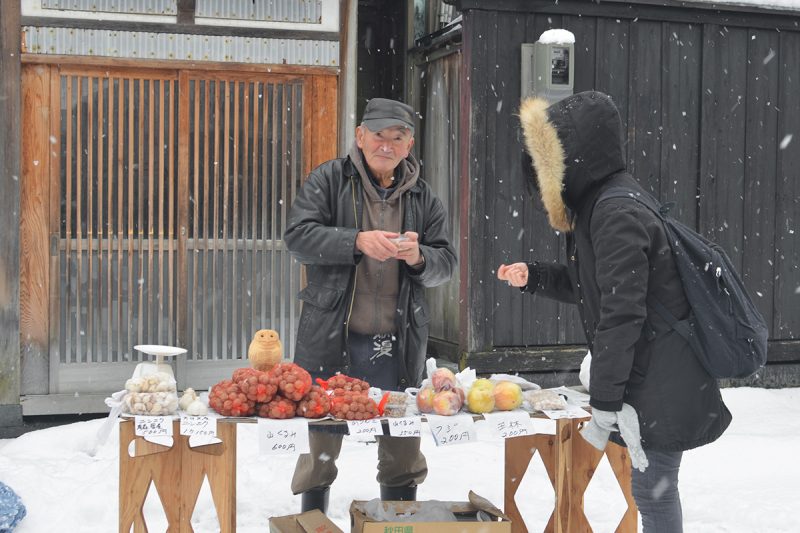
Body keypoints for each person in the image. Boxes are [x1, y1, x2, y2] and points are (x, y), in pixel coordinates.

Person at [498, 90, 731, 532]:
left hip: (662, 378)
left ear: (573, 159)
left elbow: (622, 314)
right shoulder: (605, 203)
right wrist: (535, 277)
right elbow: (597, 287)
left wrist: (605, 400)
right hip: (657, 373)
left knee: (654, 491)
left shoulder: (613, 210)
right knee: (652, 489)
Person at [284, 97, 457, 513]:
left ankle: (396, 520)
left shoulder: (423, 197)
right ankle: (312, 519)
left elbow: (446, 263)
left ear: (409, 144)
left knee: (401, 446)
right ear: (360, 137)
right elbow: (298, 237)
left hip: (396, 344)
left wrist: (419, 257)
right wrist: (355, 240)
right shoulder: (329, 179)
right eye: (378, 135)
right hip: (332, 335)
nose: (387, 144)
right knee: (321, 445)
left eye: (397, 137)